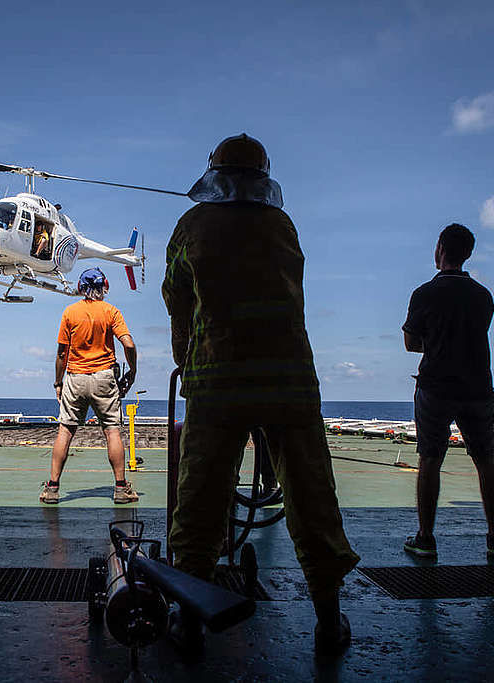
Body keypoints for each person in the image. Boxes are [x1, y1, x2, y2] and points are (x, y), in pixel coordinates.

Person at [162, 134, 359, 657]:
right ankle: (327, 619)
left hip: (216, 383)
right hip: (289, 383)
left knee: (200, 500)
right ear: (264, 178)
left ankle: (188, 618)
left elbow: (178, 301)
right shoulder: (282, 225)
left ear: (214, 174)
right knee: (312, 498)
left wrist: (189, 361)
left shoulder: (191, 226)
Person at [401, 223, 494, 560]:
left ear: (440, 250)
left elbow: (410, 343)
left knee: (430, 459)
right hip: (478, 388)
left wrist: (433, 344)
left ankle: (426, 537)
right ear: (467, 253)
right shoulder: (484, 296)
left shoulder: (424, 294)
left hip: (436, 387)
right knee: (487, 461)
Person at [41, 267, 139, 504]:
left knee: (65, 431)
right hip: (104, 378)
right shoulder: (111, 312)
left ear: (81, 288)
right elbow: (129, 344)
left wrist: (58, 382)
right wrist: (133, 370)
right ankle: (120, 488)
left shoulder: (70, 312)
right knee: (112, 431)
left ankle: (52, 489)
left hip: (75, 378)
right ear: (103, 286)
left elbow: (62, 353)